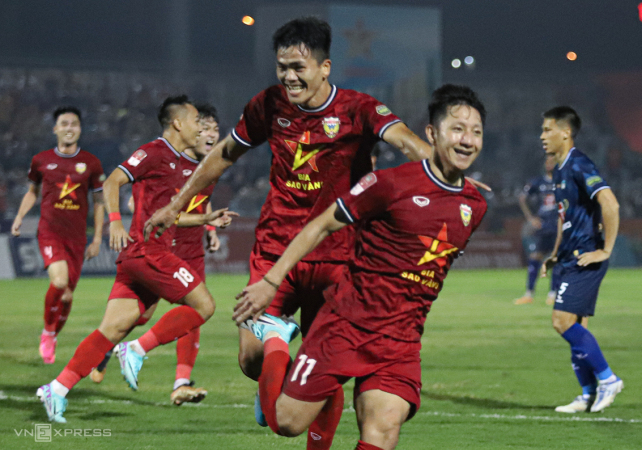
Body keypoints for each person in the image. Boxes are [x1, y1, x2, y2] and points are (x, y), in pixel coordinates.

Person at [143, 16, 460, 450]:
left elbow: (406, 142)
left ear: (324, 68)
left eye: (299, 67)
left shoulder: (358, 109)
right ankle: (275, 347)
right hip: (276, 250)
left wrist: (444, 175)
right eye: (283, 67)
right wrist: (177, 203)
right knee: (251, 359)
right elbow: (224, 153)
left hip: (341, 257)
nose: (290, 76)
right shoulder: (268, 105)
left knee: (324, 370)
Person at [232, 84, 487, 450]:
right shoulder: (388, 184)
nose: (467, 140)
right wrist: (271, 281)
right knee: (286, 423)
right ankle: (274, 336)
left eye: (476, 132)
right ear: (432, 134)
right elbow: (320, 224)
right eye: (458, 129)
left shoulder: (474, 206)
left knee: (383, 428)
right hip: (345, 327)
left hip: (401, 340)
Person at [37, 96, 236, 423]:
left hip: (139, 256)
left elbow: (168, 215)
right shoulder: (154, 152)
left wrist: (204, 219)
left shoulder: (181, 162)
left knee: (111, 329)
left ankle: (56, 389)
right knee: (204, 307)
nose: (199, 125)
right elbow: (113, 180)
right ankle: (137, 350)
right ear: (178, 123)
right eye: (195, 119)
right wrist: (115, 220)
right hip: (149, 252)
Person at [89, 104, 224, 406]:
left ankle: (181, 382)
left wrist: (210, 229)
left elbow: (203, 201)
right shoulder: (166, 160)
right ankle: (112, 346)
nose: (211, 135)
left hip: (190, 251)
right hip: (159, 248)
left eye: (216, 130)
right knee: (140, 316)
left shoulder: (210, 168)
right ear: (192, 130)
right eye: (205, 128)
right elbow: (150, 207)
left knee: (196, 312)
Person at [539, 106, 623, 413]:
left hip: (586, 258)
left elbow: (609, 204)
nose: (542, 136)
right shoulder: (560, 170)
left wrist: (606, 249)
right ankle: (587, 394)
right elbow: (566, 218)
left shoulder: (579, 164)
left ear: (565, 132)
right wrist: (554, 255)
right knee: (577, 327)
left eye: (547, 129)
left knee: (561, 322)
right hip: (569, 257)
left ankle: (608, 379)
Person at [11, 106, 105, 364]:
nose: (69, 128)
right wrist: (20, 216)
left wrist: (97, 239)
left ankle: (52, 334)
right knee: (59, 281)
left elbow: (99, 203)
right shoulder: (41, 160)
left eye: (74, 123)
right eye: (64, 123)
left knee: (66, 296)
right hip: (50, 232)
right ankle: (48, 331)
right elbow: (32, 191)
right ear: (55, 129)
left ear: (80, 129)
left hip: (77, 238)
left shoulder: (92, 163)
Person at [514, 154, 559, 305]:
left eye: (552, 162)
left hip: (558, 225)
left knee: (556, 259)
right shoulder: (538, 182)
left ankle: (553, 295)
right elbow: (522, 198)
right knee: (535, 257)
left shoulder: (563, 181)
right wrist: (531, 218)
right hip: (544, 225)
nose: (549, 164)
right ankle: (529, 294)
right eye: (547, 162)